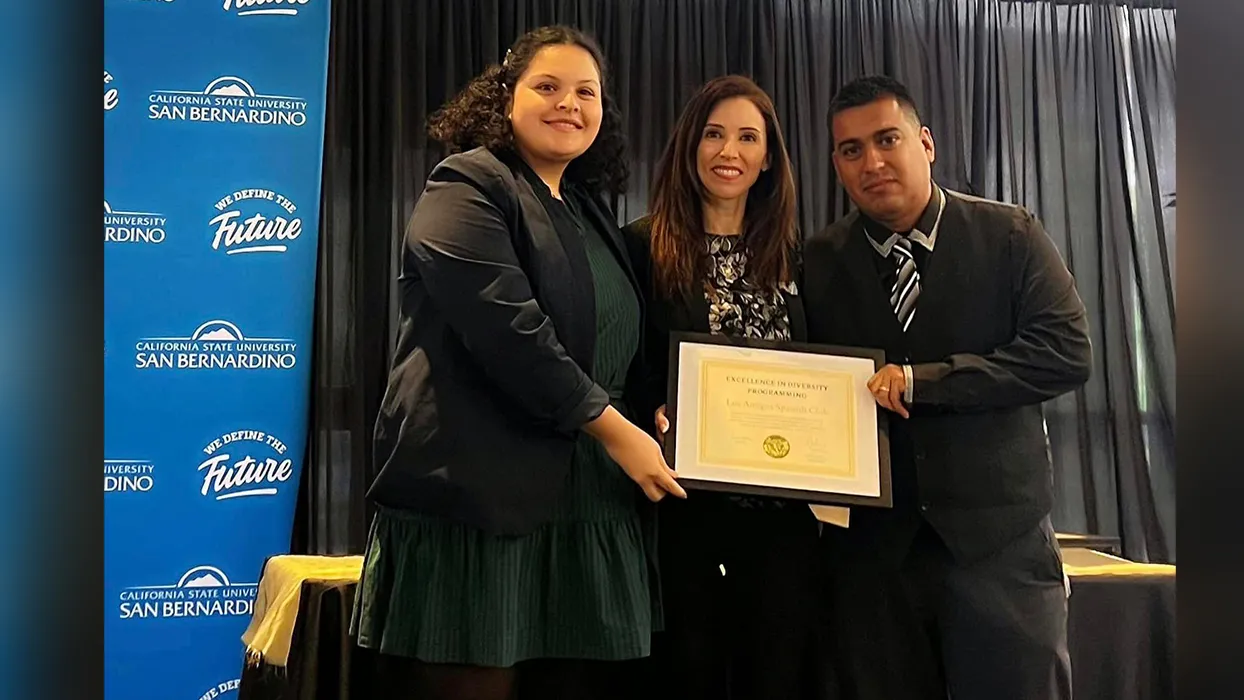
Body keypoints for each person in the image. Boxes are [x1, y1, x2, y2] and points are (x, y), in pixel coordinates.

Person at [351, 25, 686, 700]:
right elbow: (512, 332)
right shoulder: (466, 184)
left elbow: (614, 343)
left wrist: (655, 406)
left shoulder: (589, 211)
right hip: (481, 507)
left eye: (585, 92)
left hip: (587, 506)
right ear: (506, 98)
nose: (569, 103)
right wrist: (622, 433)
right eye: (548, 87)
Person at [802, 75, 1092, 700]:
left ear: (925, 142)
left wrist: (926, 382)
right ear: (836, 164)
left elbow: (1064, 355)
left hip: (1000, 549)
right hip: (873, 560)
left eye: (888, 139)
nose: (872, 161)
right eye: (851, 150)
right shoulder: (817, 261)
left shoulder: (1010, 235)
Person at [623, 75, 822, 700]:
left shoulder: (801, 258)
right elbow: (624, 364)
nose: (727, 151)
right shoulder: (642, 246)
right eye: (713, 134)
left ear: (768, 159)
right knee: (688, 671)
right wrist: (652, 407)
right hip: (684, 510)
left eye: (746, 137)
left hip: (785, 517)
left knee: (778, 673)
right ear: (689, 147)